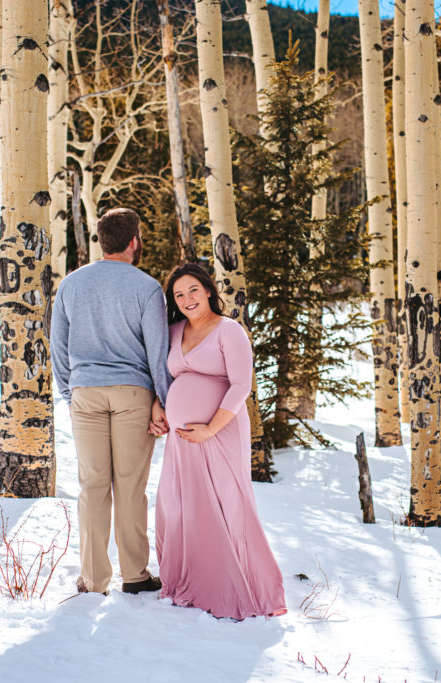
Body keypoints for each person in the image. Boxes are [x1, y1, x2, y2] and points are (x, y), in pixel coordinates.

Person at [154, 262, 286, 620]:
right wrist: (159, 406)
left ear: (209, 290)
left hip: (221, 431)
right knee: (182, 504)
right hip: (182, 439)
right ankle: (192, 580)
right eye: (179, 294)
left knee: (227, 502)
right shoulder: (174, 330)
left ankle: (235, 584)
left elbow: (242, 385)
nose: (186, 299)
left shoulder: (229, 330)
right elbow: (166, 378)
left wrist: (211, 428)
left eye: (193, 290)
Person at [51, 208, 171, 596]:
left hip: (86, 393)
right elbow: (158, 350)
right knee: (130, 486)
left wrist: (71, 391)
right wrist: (163, 402)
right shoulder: (147, 287)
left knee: (92, 486)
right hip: (133, 394)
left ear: (100, 241)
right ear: (134, 241)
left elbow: (58, 347)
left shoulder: (71, 284)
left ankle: (93, 579)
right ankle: (135, 575)